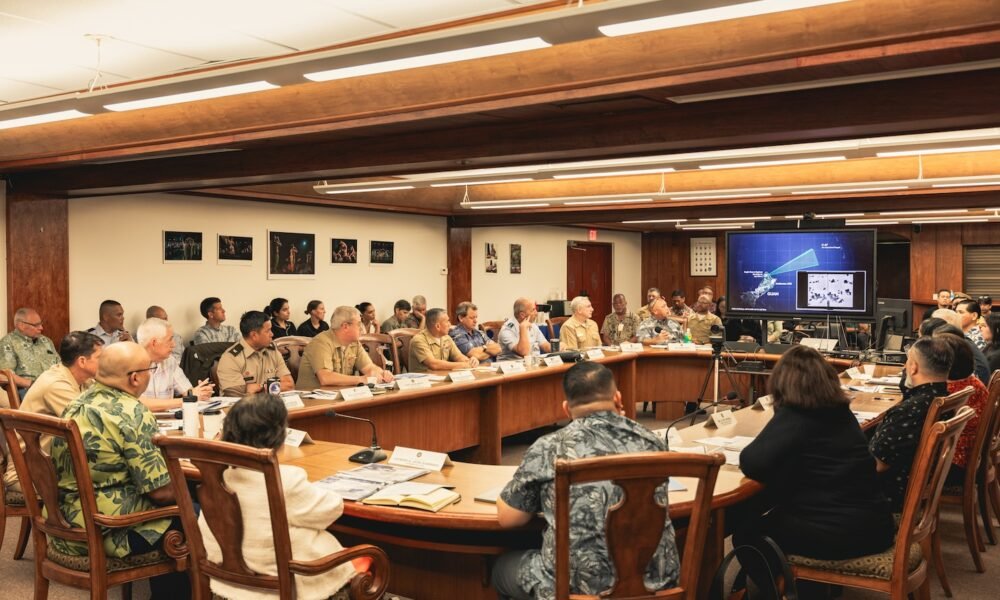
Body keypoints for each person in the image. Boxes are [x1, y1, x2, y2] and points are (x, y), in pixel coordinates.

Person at [492, 362, 677, 599]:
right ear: (618, 397)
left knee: (502, 569)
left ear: (566, 409)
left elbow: (509, 519)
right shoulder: (653, 441)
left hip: (575, 587)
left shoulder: (550, 447)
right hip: (655, 583)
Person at [51, 341, 189, 597]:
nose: (152, 373)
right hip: (109, 527)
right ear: (135, 378)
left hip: (69, 517)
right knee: (199, 514)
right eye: (151, 369)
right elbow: (159, 493)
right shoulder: (132, 412)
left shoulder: (77, 402)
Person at [737, 346, 894, 564]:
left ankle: (781, 592)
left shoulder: (796, 415)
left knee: (747, 535)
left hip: (840, 534)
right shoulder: (842, 412)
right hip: (876, 525)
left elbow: (751, 462)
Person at [199, 393, 359, 599]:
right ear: (279, 436)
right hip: (279, 590)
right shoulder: (285, 480)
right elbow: (330, 510)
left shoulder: (217, 478)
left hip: (226, 587)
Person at [2, 331, 103, 494]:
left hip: (51, 467)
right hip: (28, 475)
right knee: (110, 485)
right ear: (82, 361)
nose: (105, 363)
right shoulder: (55, 384)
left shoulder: (82, 379)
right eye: (100, 358)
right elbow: (93, 422)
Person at [869, 336, 954, 511]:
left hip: (886, 498)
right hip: (910, 487)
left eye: (907, 362)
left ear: (913, 367)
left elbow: (877, 464)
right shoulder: (943, 399)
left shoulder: (910, 411)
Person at [295, 306, 394, 389]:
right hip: (311, 402)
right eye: (359, 324)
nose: (361, 328)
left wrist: (383, 373)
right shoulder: (321, 342)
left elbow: (368, 367)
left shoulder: (354, 343)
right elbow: (326, 378)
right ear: (345, 326)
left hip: (338, 397)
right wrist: (362, 379)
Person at [136, 317, 213, 411]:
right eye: (170, 340)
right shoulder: (130, 364)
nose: (174, 345)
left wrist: (200, 392)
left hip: (168, 420)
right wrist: (186, 400)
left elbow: (187, 391)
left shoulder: (170, 361)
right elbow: (138, 403)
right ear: (154, 343)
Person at [216, 311, 293, 397]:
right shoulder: (230, 358)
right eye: (268, 331)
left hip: (271, 405)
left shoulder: (272, 351)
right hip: (244, 409)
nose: (272, 334)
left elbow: (289, 385)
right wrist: (274, 388)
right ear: (254, 335)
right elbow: (234, 394)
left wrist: (262, 388)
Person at [0, 307, 59, 396]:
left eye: (41, 324)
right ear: (21, 325)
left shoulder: (46, 341)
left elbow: (60, 366)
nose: (41, 328)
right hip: (28, 391)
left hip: (55, 387)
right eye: (36, 325)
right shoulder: (8, 342)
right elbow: (5, 375)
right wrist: (33, 384)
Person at [409, 308, 479, 372]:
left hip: (442, 378)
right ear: (438, 326)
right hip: (423, 382)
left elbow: (458, 356)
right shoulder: (418, 340)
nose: (450, 324)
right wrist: (463, 365)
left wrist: (470, 361)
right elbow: (433, 364)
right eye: (447, 321)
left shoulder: (446, 338)